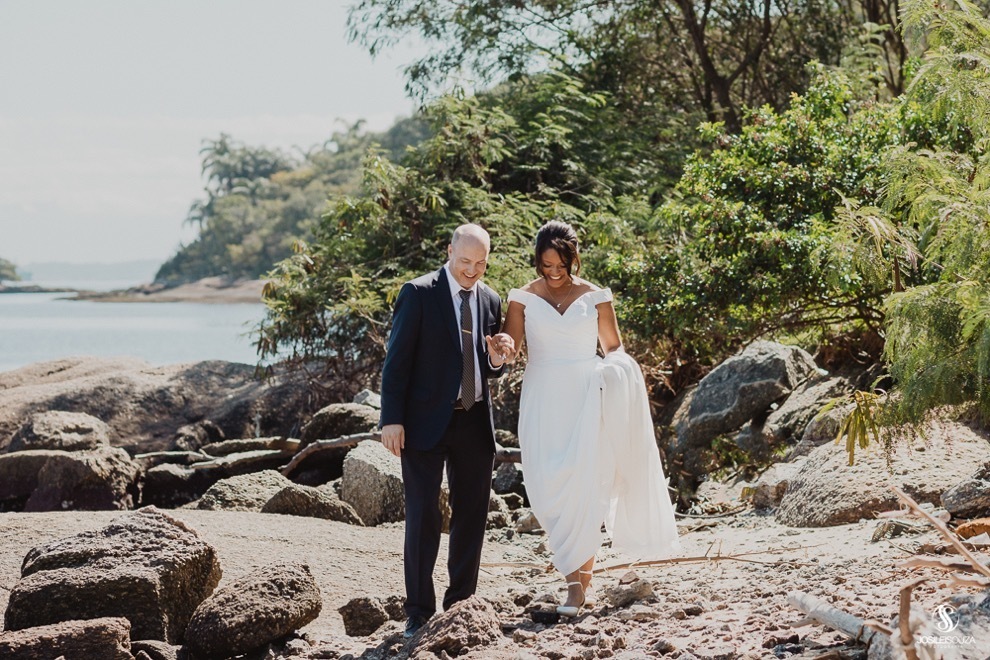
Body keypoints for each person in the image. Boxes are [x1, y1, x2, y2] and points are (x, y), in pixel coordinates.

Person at [497, 220, 681, 616]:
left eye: (560, 264)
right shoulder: (522, 298)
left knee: (586, 486)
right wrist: (500, 348)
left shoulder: (596, 296)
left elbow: (614, 348)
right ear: (538, 261)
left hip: (587, 397)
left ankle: (577, 588)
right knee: (547, 490)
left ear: (573, 257)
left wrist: (613, 372)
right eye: (546, 265)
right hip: (543, 398)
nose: (554, 272)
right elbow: (509, 349)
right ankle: (575, 577)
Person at [379, 223, 515, 638]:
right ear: (449, 250)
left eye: (481, 263)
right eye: (465, 261)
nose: (472, 271)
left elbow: (489, 367)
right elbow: (397, 360)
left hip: (474, 421)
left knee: (472, 514)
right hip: (421, 422)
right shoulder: (417, 293)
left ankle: (461, 604)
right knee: (422, 515)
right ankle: (418, 610)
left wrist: (498, 359)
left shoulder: (491, 299)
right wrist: (391, 418)